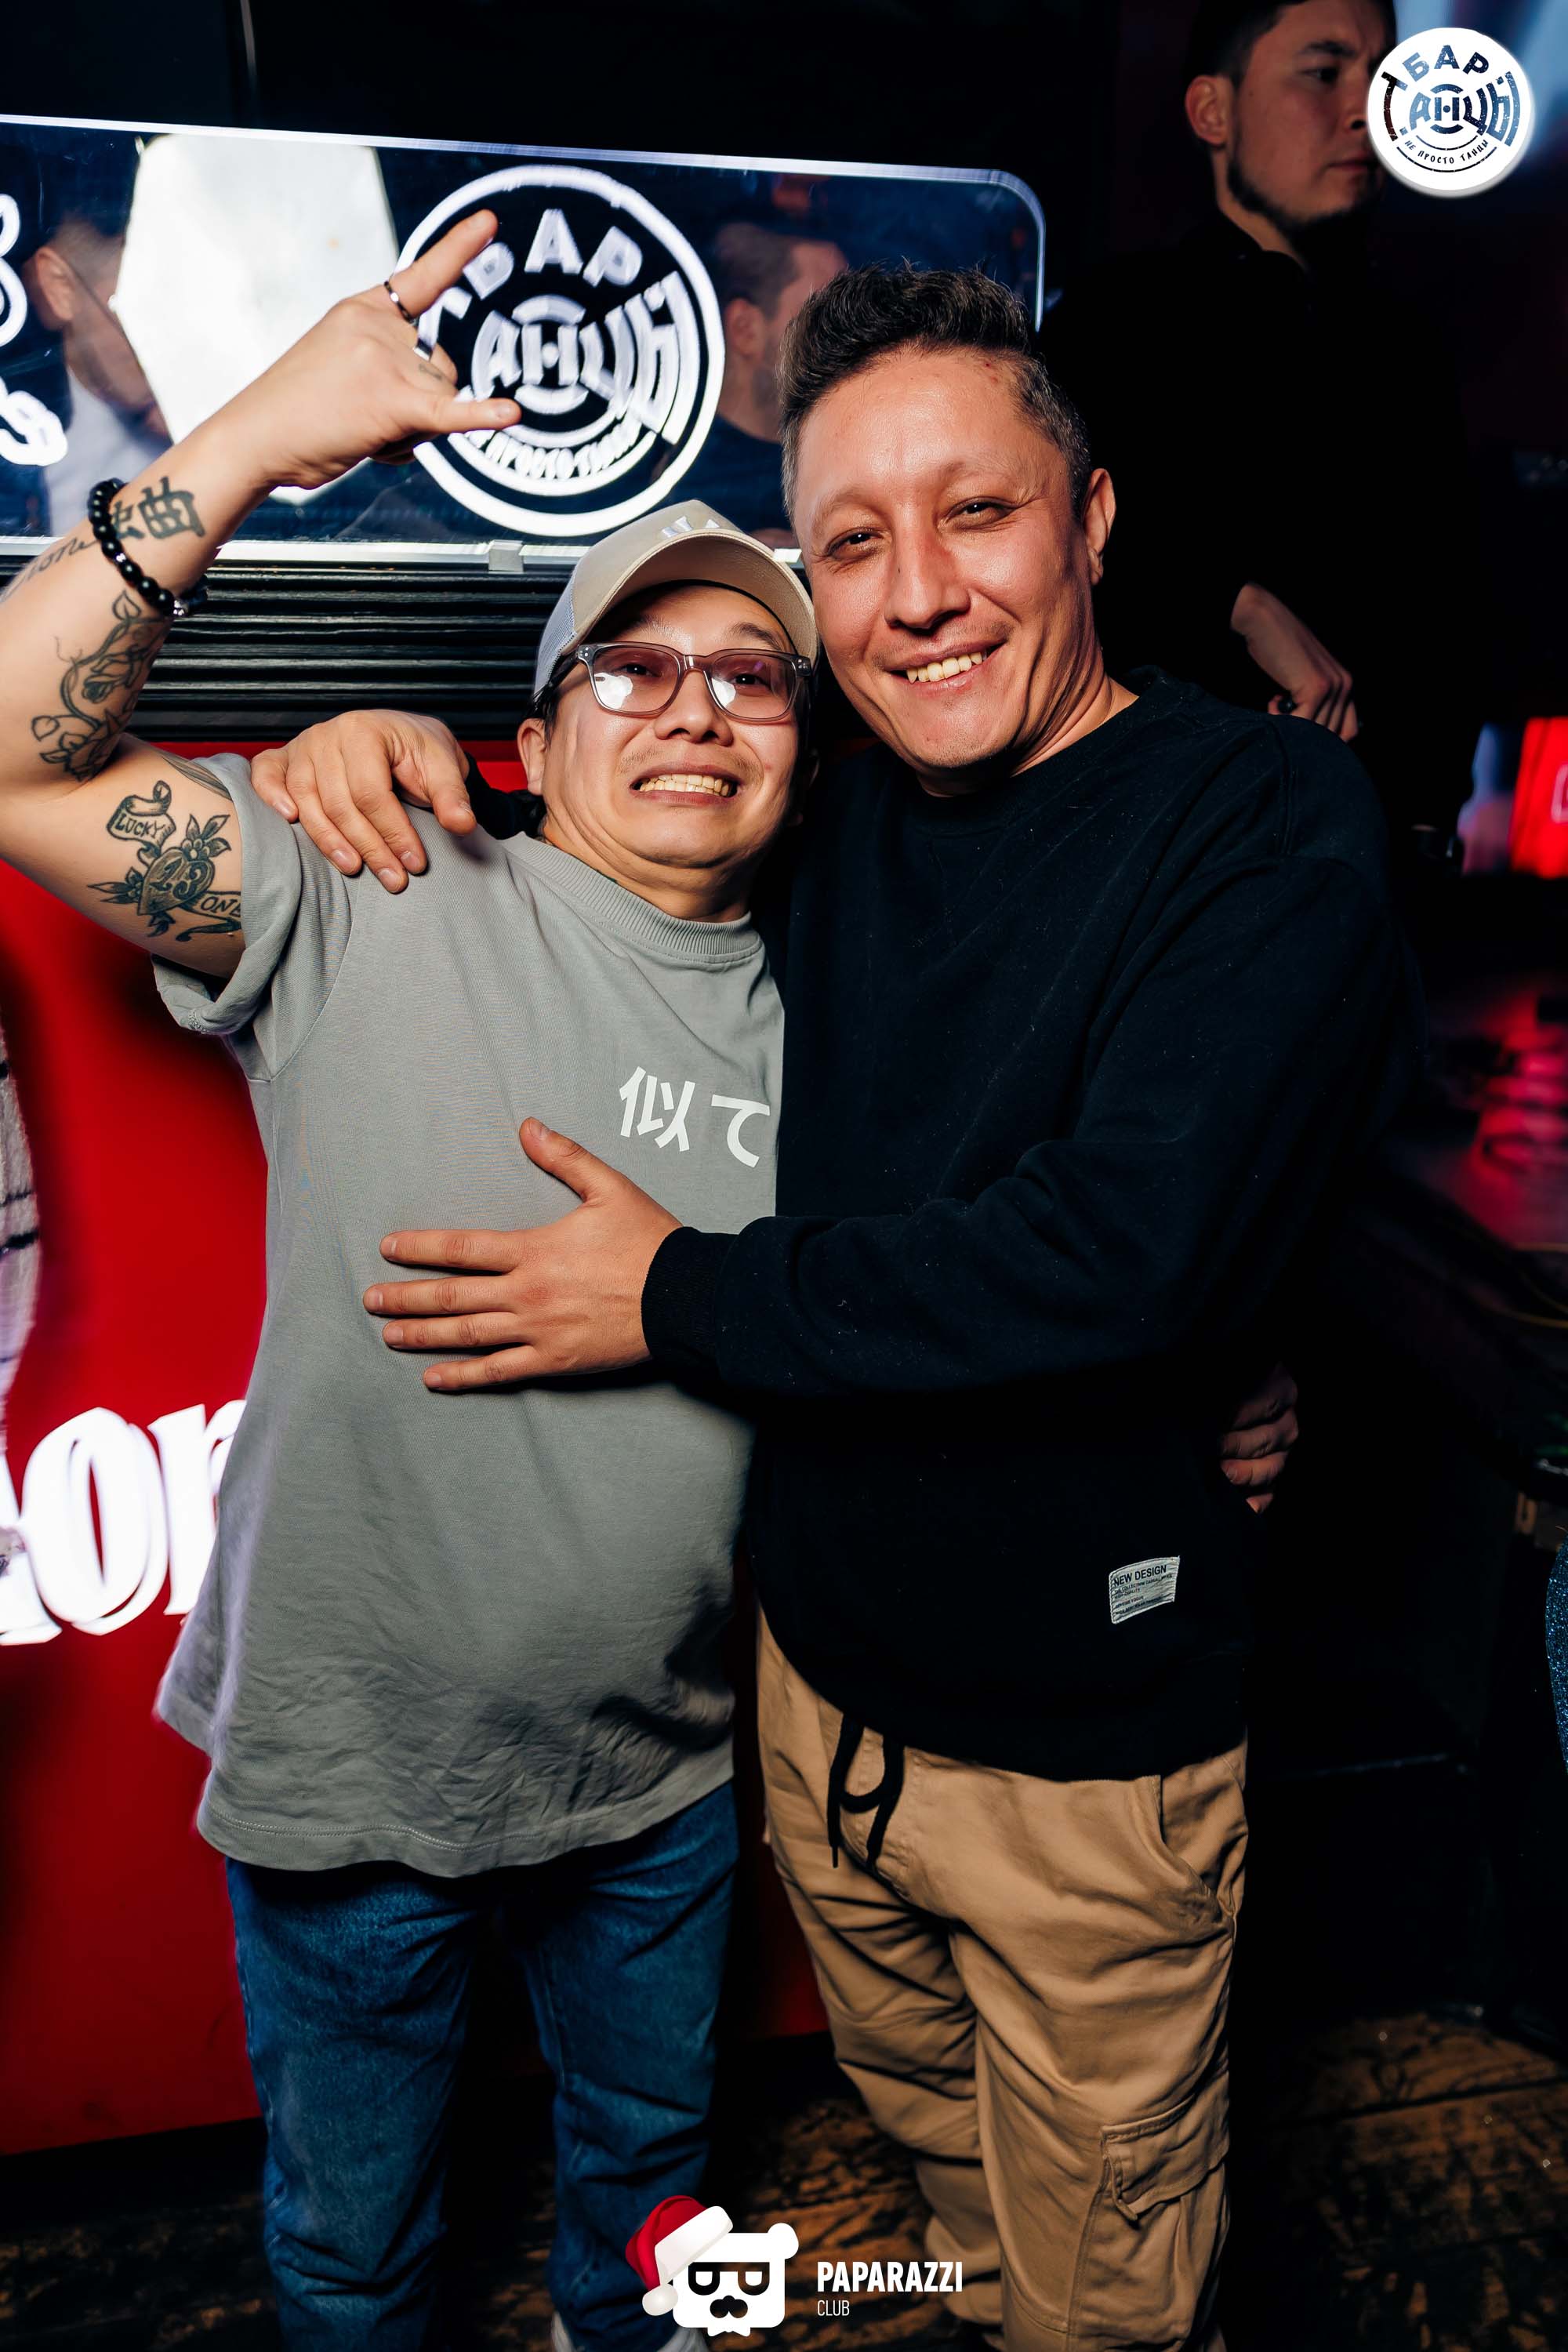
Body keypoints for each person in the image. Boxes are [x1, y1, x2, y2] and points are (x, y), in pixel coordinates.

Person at [252, 261, 1411, 2349]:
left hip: (1077, 1754)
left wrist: (677, 1293)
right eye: (855, 544)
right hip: (812, 1717)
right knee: (948, 2184)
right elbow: (633, 827)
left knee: (1108, 2297)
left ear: (1093, 520)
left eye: (977, 514)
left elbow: (1130, 1244)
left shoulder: (1258, 813)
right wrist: (370, 748)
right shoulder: (849, 792)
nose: (921, 594)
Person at [0, 209, 826, 2352]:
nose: (697, 705)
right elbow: (9, 749)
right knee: (357, 2264)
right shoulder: (369, 883)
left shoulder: (850, 1018)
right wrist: (261, 435)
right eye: (632, 662)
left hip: (662, 1780)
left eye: (753, 673)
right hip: (358, 1784)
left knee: (651, 2227)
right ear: (539, 731)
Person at [1044, 0, 1479, 839]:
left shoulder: (1409, 349)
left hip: (1372, 866)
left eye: (1383, 77)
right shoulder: (1109, 323)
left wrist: (1426, 820)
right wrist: (1233, 605)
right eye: (1322, 74)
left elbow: (1453, 625)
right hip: (1152, 847)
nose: (1368, 111)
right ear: (1213, 110)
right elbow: (1045, 562)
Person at [670, 221, 847, 541]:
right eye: (821, 317)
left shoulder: (846, 457)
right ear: (745, 329)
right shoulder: (681, 485)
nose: (851, 340)